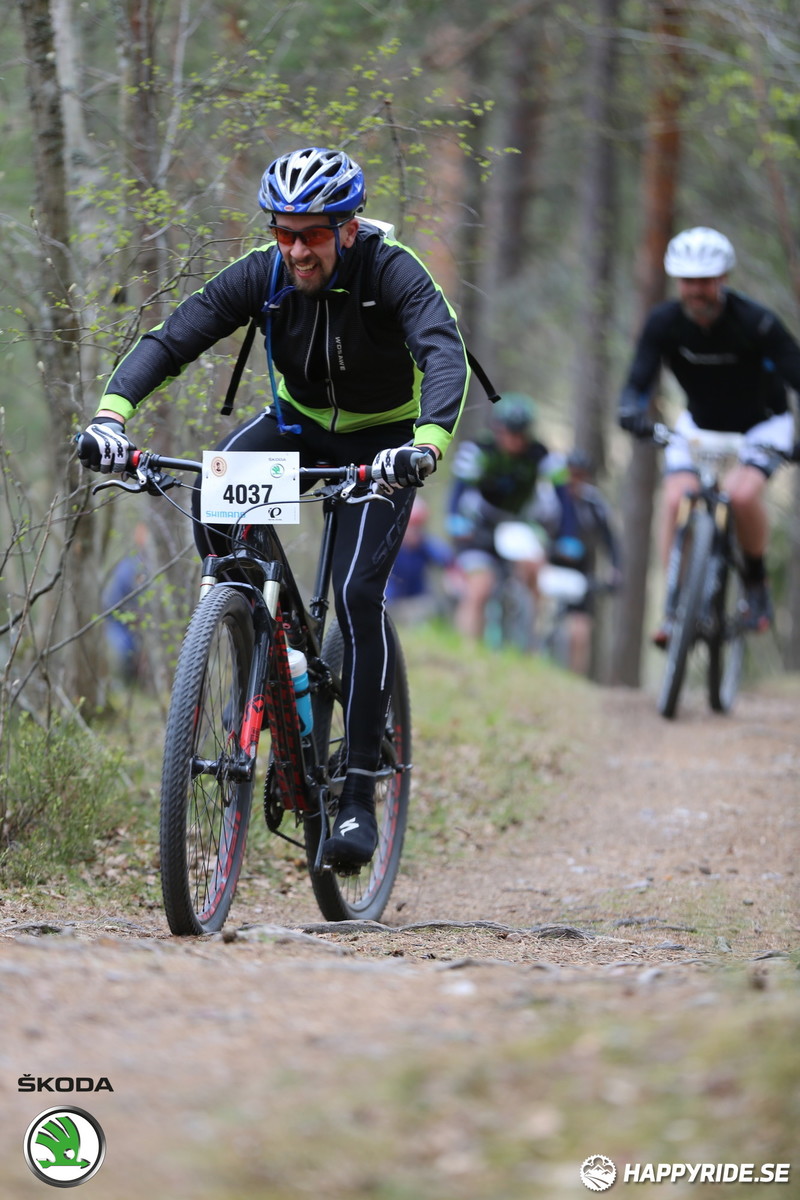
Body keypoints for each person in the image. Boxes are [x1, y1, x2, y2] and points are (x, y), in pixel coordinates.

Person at [78, 145, 471, 868]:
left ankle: (356, 798)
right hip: (295, 429)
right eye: (284, 232)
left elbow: (444, 353)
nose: (295, 250)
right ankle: (268, 642)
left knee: (356, 594)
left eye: (312, 234)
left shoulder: (392, 272)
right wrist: (110, 415)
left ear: (347, 228)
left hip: (382, 444)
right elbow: (176, 337)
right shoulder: (265, 273)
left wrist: (426, 443)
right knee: (212, 508)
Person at [618, 226, 800, 646]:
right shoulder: (664, 322)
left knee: (740, 495)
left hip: (762, 425)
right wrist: (630, 411)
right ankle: (674, 607)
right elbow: (638, 381)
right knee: (675, 498)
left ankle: (755, 584)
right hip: (700, 426)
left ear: (723, 279)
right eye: (687, 281)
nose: (695, 291)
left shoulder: (757, 323)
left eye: (704, 281)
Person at [447, 393, 552, 641]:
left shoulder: (539, 455)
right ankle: (468, 650)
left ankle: (530, 643)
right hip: (479, 527)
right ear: (497, 429)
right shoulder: (479, 449)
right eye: (508, 432)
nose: (514, 440)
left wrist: (562, 533)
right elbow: (458, 489)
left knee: (535, 572)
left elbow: (559, 496)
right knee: (480, 587)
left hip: (516, 526)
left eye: (520, 433)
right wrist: (454, 519)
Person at [542, 449, 621, 675]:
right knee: (542, 619)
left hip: (581, 573)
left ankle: (575, 679)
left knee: (580, 632)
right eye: (571, 474)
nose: (574, 480)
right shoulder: (549, 498)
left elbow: (610, 540)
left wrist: (615, 570)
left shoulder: (594, 503)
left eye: (580, 475)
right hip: (549, 566)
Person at [385, 496, 455, 623]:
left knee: (433, 608)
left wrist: (450, 576)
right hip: (390, 604)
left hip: (417, 601)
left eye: (419, 527)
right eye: (411, 526)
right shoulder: (389, 547)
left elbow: (447, 559)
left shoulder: (424, 545)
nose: (415, 531)